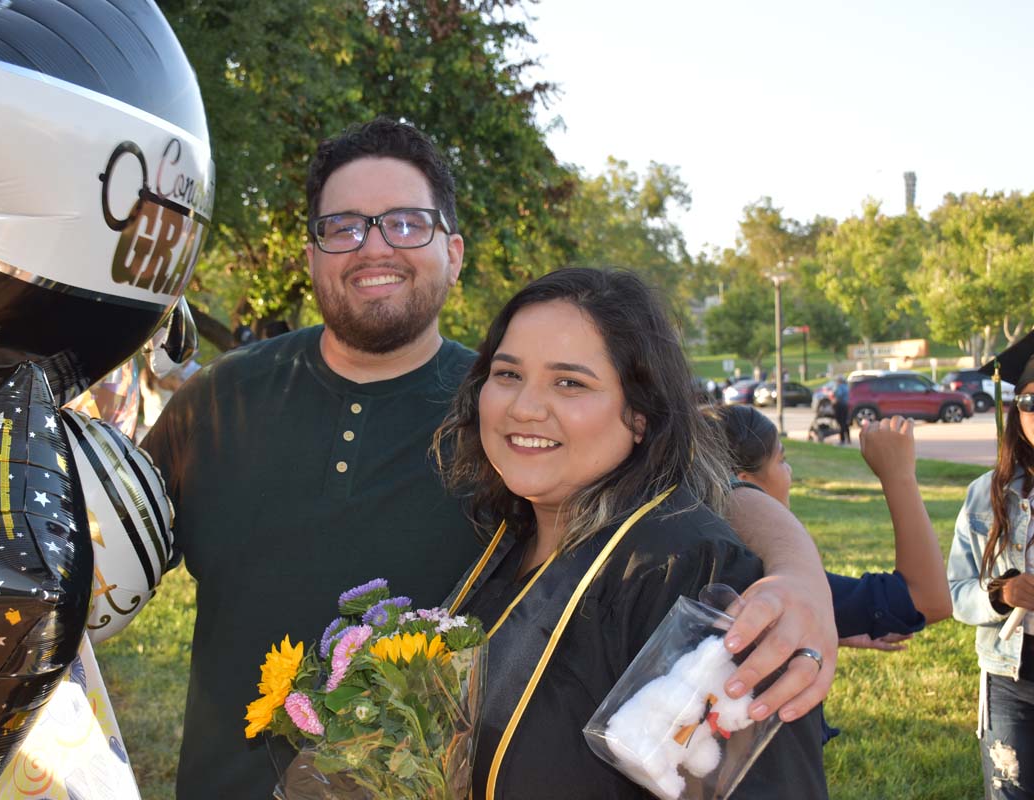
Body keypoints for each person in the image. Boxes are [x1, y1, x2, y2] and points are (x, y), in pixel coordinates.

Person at [142, 118, 834, 797]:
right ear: (313, 253)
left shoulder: (505, 421)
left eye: (407, 222)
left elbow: (696, 495)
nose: (373, 246)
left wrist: (800, 577)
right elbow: (105, 540)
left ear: (455, 252)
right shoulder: (222, 399)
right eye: (343, 226)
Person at [437, 268, 827, 798]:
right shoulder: (504, 537)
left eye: (569, 382)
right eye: (507, 374)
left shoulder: (695, 578)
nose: (523, 407)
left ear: (640, 415)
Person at [712, 404, 951, 644]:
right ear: (743, 482)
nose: (789, 470)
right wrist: (899, 475)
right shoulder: (762, 578)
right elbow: (926, 600)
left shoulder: (705, 554)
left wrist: (833, 629)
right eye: (781, 459)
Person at [948, 329, 1034, 800]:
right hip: (1010, 678)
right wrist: (1001, 595)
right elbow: (955, 590)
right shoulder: (988, 495)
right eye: (1029, 402)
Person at [833, 375, 851, 445]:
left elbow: (839, 395)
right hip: (846, 406)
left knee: (841, 423)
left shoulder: (840, 387)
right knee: (845, 423)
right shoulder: (846, 387)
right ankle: (848, 439)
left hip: (840, 406)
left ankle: (842, 439)